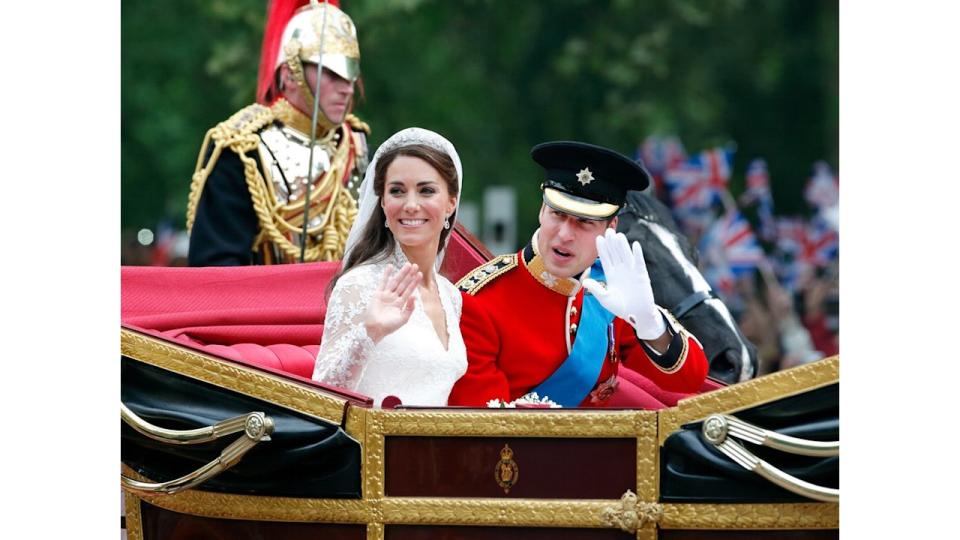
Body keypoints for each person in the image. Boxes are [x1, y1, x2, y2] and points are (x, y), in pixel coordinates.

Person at [448, 141, 709, 408]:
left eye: (585, 222)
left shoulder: (608, 294)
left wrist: (650, 322)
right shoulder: (479, 300)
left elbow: (688, 381)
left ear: (611, 227)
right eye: (558, 214)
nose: (564, 235)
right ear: (542, 210)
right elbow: (483, 432)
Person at [186, 0, 371, 265]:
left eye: (350, 74)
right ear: (289, 74)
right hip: (265, 303)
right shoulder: (244, 150)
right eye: (331, 73)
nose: (347, 88)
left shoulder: (355, 144)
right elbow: (217, 269)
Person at [312, 128, 466, 407]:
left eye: (426, 191)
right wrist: (369, 334)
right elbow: (321, 400)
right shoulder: (358, 285)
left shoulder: (451, 296)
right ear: (383, 203)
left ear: (451, 203)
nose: (410, 205)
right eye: (397, 191)